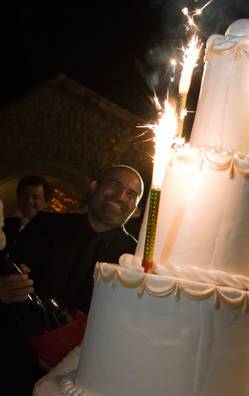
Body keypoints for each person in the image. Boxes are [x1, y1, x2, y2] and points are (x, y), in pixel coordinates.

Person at [0, 165, 144, 395]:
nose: (120, 196)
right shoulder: (45, 225)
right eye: (114, 185)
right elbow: (7, 272)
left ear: (136, 210)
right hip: (15, 358)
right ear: (94, 187)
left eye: (131, 194)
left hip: (81, 374)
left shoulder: (137, 258)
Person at [2, 174, 51, 250]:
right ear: (18, 199)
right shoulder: (3, 227)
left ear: (46, 202)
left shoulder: (54, 230)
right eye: (24, 196)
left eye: (35, 197)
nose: (29, 201)